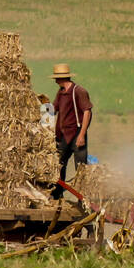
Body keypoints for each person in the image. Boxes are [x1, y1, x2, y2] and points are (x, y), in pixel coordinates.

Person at [50, 63, 92, 195]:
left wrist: (81, 135)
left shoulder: (79, 91)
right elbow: (53, 110)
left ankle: (82, 196)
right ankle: (57, 194)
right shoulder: (61, 92)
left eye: (57, 78)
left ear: (62, 78)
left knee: (80, 167)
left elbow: (87, 112)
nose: (55, 81)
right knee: (58, 164)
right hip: (63, 134)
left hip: (76, 133)